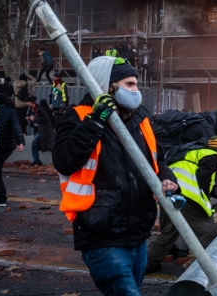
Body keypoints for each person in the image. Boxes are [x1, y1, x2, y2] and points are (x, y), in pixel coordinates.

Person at [53, 56, 178, 295]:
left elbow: (156, 158)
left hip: (139, 231)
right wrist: (95, 121)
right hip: (101, 232)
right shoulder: (78, 116)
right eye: (129, 84)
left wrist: (166, 177)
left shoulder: (140, 118)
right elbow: (64, 161)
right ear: (107, 86)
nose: (136, 90)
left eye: (136, 84)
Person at [146, 135, 217, 273]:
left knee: (168, 233)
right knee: (208, 233)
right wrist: (204, 200)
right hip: (188, 197)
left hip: (169, 192)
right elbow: (205, 178)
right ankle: (214, 269)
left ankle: (147, 264)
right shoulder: (213, 156)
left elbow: (214, 190)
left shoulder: (194, 155)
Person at [0, 93, 24, 207]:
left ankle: (1, 199)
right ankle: (0, 198)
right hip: (7, 147)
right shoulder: (11, 111)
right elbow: (16, 127)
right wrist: (21, 142)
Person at [28, 99, 54, 167]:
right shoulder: (47, 110)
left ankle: (37, 160)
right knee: (48, 146)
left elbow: (44, 119)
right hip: (45, 131)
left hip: (44, 131)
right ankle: (36, 160)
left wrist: (34, 119)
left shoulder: (41, 109)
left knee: (38, 144)